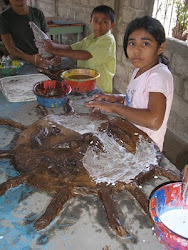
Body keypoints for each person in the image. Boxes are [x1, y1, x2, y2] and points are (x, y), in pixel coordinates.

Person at [86, 16, 173, 152]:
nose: (136, 50)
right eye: (132, 43)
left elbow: (154, 120)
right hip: (133, 139)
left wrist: (115, 108)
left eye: (145, 44)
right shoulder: (140, 69)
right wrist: (118, 98)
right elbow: (139, 99)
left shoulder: (158, 75)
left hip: (146, 149)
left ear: (160, 48)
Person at [43, 5, 116, 94]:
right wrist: (52, 45)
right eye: (96, 21)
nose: (99, 25)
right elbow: (70, 48)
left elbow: (85, 55)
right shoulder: (91, 38)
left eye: (104, 22)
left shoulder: (108, 40)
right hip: (85, 85)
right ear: (91, 22)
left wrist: (54, 51)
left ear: (112, 25)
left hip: (99, 89)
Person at [0, 0, 59, 68]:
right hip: (19, 63)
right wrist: (31, 59)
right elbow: (10, 48)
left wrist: (56, 54)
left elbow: (47, 41)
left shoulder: (38, 13)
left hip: (41, 59)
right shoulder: (4, 18)